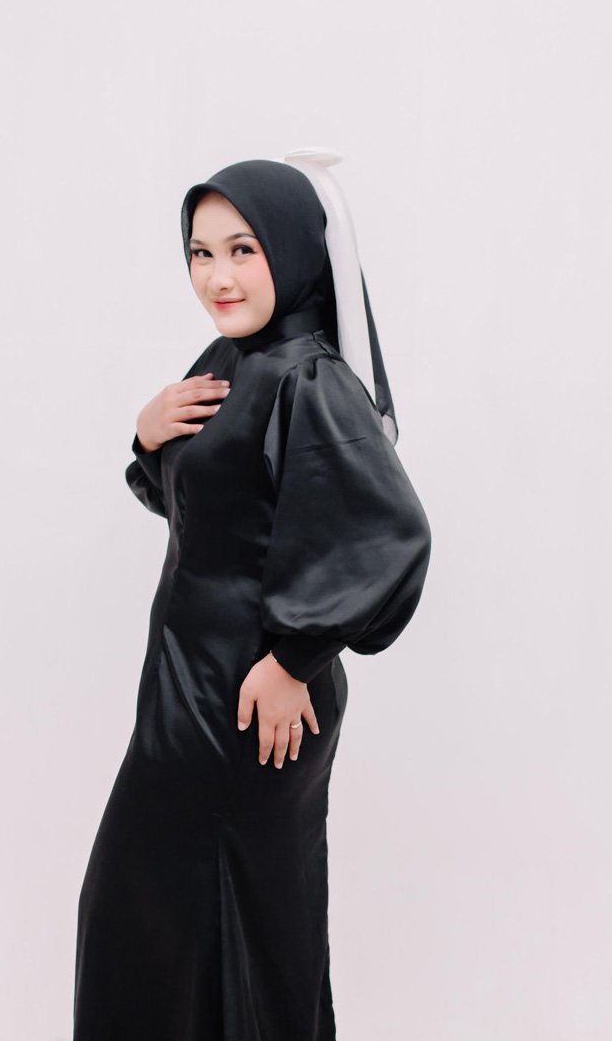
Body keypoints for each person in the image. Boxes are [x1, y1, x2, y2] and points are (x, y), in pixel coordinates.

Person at [73, 156, 432, 1040]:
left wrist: (294, 660)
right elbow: (211, 512)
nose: (217, 276)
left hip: (250, 703)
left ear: (293, 249)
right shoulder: (234, 361)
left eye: (243, 249)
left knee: (210, 917)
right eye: (200, 253)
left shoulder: (307, 377)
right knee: (168, 916)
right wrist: (147, 439)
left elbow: (390, 535)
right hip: (186, 685)